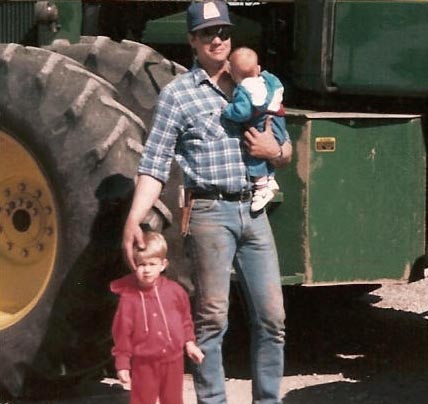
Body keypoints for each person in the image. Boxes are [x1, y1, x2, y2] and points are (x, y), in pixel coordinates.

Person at [121, 1, 291, 402]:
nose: (218, 39)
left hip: (254, 209)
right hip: (209, 213)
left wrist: (274, 151)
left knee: (273, 319)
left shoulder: (258, 84)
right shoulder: (178, 96)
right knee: (212, 319)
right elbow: (154, 164)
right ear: (192, 41)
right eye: (208, 33)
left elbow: (285, 152)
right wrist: (134, 218)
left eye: (224, 32)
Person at [111, 231, 205, 404]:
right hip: (144, 364)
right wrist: (122, 364)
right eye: (141, 264)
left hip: (173, 362)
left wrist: (190, 343)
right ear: (135, 266)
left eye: (152, 264)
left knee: (173, 400)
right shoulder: (129, 299)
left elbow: (185, 319)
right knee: (142, 400)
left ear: (163, 265)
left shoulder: (175, 292)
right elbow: (122, 333)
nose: (146, 270)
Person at [222, 47, 288, 212]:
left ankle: (261, 188)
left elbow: (242, 112)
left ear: (232, 74)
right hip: (278, 120)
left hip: (260, 126)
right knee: (269, 147)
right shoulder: (268, 79)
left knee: (254, 152)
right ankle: (270, 179)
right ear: (258, 68)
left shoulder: (244, 89)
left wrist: (227, 111)